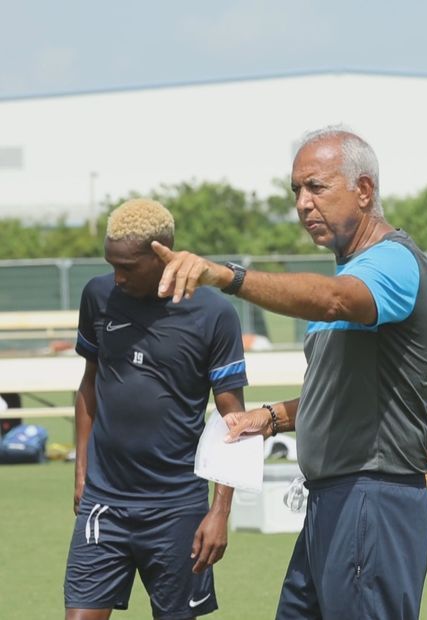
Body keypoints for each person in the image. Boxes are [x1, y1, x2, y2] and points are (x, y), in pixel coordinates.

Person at [152, 125, 427, 619]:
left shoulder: (392, 262)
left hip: (372, 495)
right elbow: (343, 393)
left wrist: (227, 276)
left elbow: (334, 301)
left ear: (364, 190)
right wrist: (271, 418)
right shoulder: (348, 276)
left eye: (317, 187)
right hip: (330, 499)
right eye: (296, 191)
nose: (303, 203)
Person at [64, 199, 248, 619]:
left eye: (128, 266)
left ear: (162, 254)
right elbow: (89, 386)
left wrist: (220, 511)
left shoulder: (214, 314)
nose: (118, 276)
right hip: (104, 502)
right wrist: (81, 473)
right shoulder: (98, 296)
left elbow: (232, 419)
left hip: (177, 507)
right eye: (112, 264)